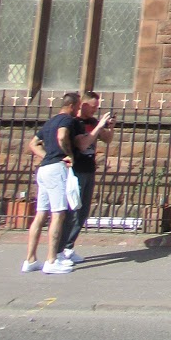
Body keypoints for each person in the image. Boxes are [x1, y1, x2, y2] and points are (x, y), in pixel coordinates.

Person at [22, 91, 79, 274]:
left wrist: (47, 156)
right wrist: (68, 154)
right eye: (77, 106)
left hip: (44, 169)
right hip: (56, 170)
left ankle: (30, 260)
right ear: (71, 106)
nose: (77, 110)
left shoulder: (50, 122)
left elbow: (33, 144)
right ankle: (51, 260)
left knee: (40, 214)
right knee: (58, 214)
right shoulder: (66, 120)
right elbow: (62, 136)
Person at [58, 90, 113, 264]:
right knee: (72, 210)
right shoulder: (74, 122)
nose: (96, 111)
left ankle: (69, 247)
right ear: (84, 105)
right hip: (76, 169)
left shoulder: (93, 122)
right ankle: (61, 249)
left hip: (89, 169)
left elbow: (107, 139)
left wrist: (109, 126)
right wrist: (99, 127)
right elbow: (82, 144)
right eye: (94, 107)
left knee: (83, 212)